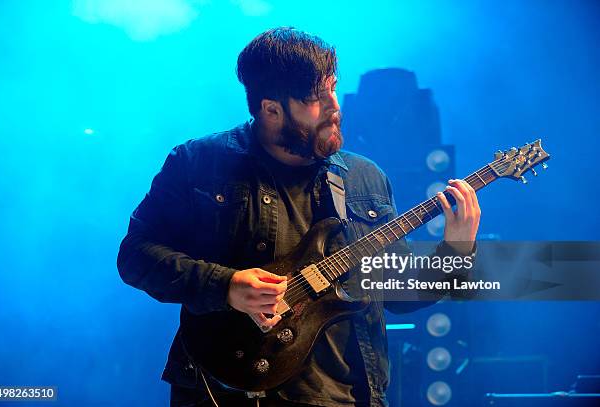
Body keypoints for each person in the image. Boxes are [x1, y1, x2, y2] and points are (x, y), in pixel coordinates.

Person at [117, 27, 481, 407]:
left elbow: (400, 295)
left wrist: (457, 248)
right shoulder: (196, 163)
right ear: (270, 108)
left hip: (341, 395)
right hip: (222, 391)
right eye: (314, 98)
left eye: (333, 89)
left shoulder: (364, 178)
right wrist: (226, 286)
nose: (334, 106)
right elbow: (136, 256)